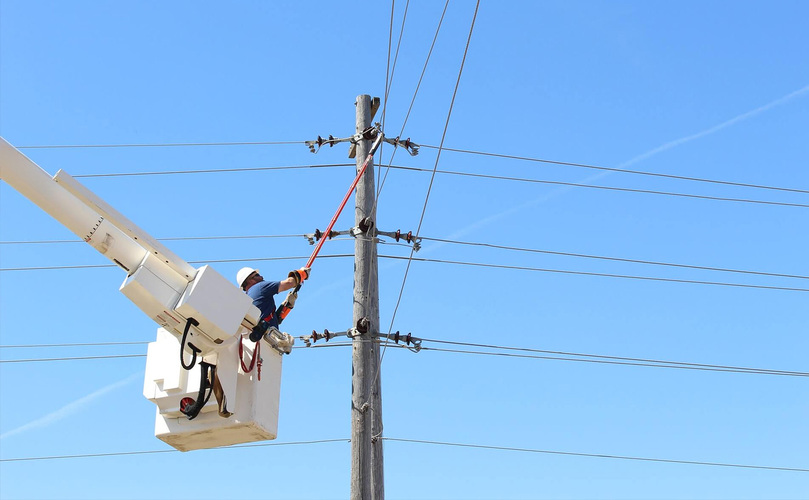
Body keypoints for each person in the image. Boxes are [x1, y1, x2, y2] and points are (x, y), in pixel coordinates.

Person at [236, 266, 310, 346]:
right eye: (257, 275)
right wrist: (303, 273)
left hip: (262, 340)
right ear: (250, 280)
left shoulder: (248, 299)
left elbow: (271, 319)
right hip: (268, 341)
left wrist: (286, 305)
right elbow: (289, 283)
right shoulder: (260, 287)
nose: (261, 277)